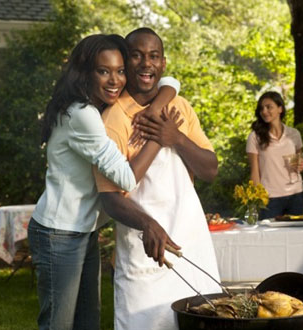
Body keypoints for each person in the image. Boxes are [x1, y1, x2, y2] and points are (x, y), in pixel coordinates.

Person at [28, 34, 180, 330]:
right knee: (58, 324)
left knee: (88, 323)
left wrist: (154, 107)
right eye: (103, 71)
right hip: (59, 233)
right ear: (85, 72)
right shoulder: (82, 114)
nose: (115, 80)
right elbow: (125, 178)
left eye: (121, 71)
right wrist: (160, 136)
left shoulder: (93, 107)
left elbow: (172, 81)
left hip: (82, 231)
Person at [93, 27, 220, 330]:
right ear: (125, 61)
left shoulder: (179, 106)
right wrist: (148, 224)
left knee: (202, 322)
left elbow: (210, 170)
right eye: (136, 55)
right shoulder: (113, 120)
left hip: (190, 239)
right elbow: (109, 197)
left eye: (153, 56)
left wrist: (175, 137)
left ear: (163, 64)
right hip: (144, 249)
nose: (145, 63)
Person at [246, 91, 303, 219]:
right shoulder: (255, 137)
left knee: (296, 237)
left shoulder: (294, 134)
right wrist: (256, 199)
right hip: (270, 198)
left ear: (280, 109)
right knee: (269, 238)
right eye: (262, 108)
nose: (264, 111)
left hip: (296, 194)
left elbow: (300, 161)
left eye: (269, 107)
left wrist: (301, 165)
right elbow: (255, 172)